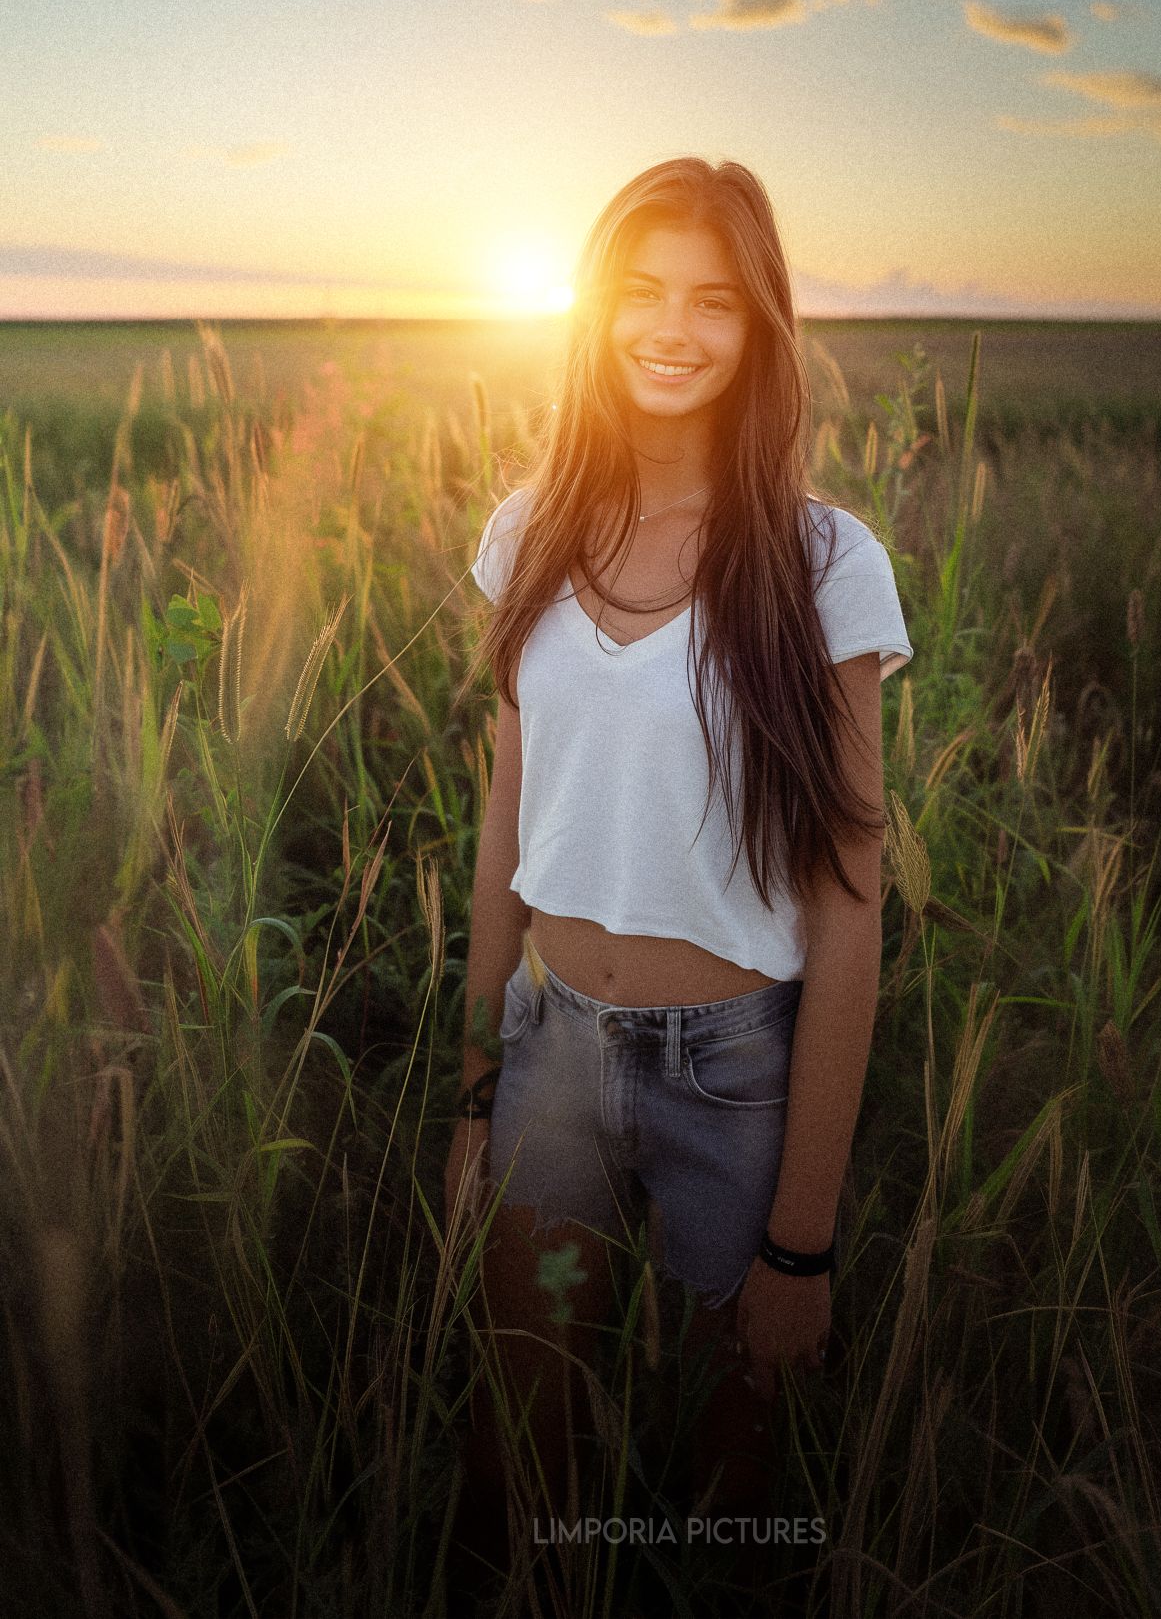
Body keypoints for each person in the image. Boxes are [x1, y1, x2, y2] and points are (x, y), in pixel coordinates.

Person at [442, 156, 913, 1581]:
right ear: (592, 311)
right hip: (554, 1063)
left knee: (735, 1471)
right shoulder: (530, 533)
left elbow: (849, 905)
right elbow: (506, 829)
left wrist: (806, 1241)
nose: (671, 327)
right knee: (531, 1446)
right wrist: (477, 1095)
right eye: (640, 292)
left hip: (736, 1078)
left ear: (759, 326)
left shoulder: (823, 560)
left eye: (713, 301)